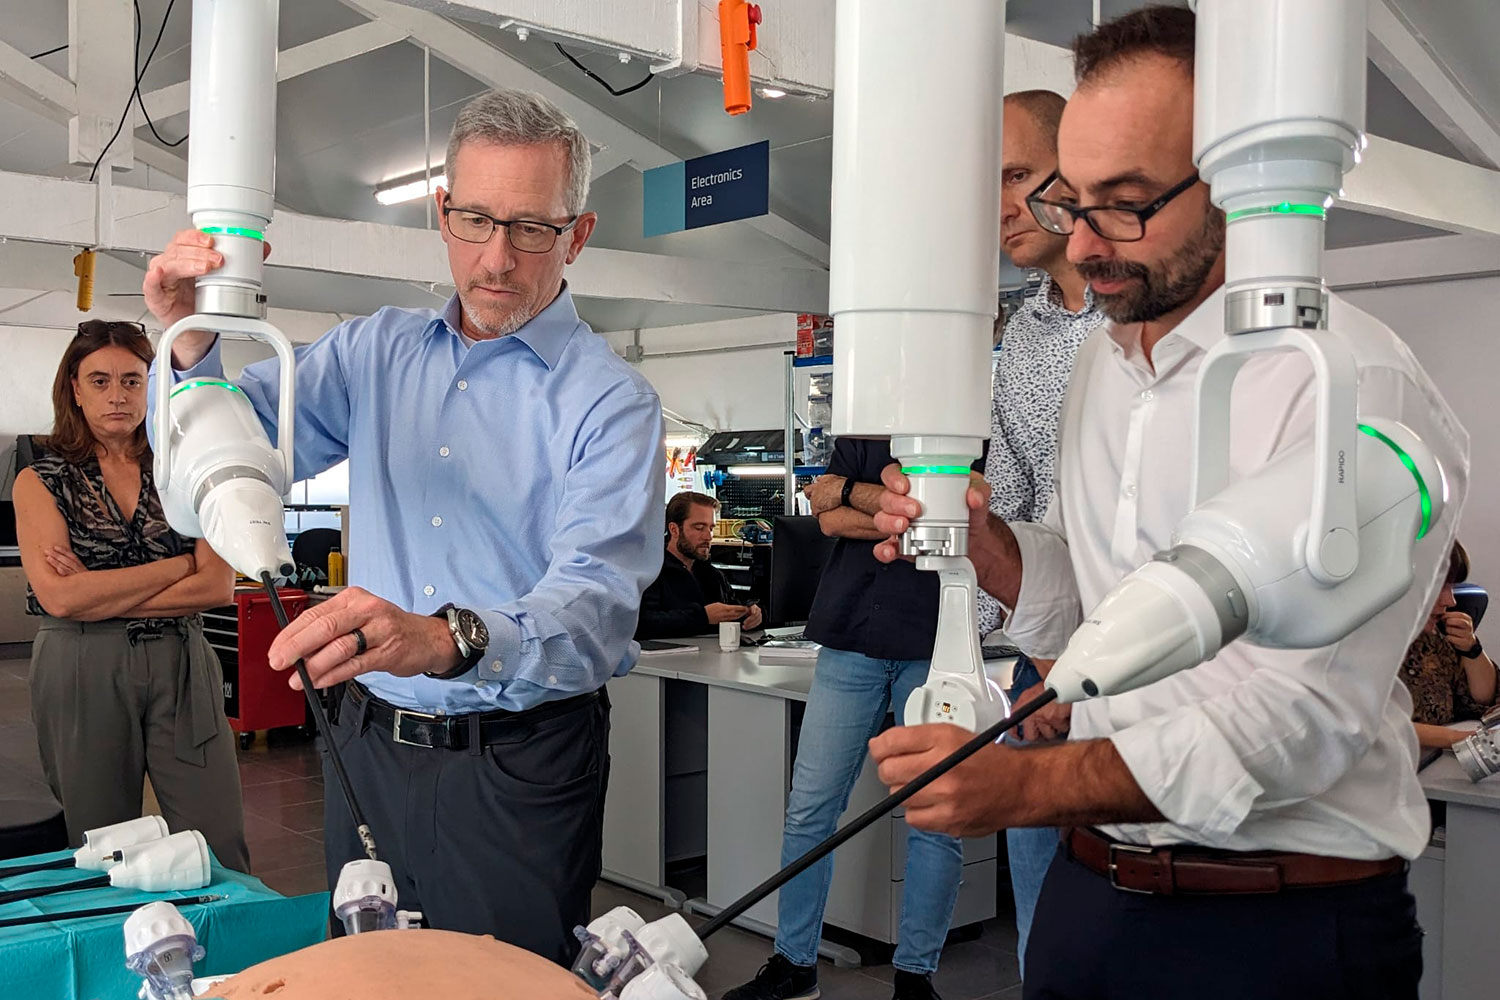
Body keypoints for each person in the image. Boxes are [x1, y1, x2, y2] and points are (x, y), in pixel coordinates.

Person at [865, 7, 1466, 999]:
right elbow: (1108, 594)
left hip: (1276, 928)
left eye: (1129, 203)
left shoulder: (1348, 383)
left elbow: (1297, 719)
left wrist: (1023, 789)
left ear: (1236, 179)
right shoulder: (1106, 362)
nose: (1089, 243)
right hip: (1092, 895)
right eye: (1074, 201)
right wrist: (995, 548)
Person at [142, 89, 664, 965]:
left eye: (532, 228)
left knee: (505, 980)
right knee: (368, 970)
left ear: (577, 235)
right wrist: (191, 344)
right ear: (442, 213)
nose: (497, 258)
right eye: (475, 220)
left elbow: (595, 607)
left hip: (518, 764)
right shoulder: (371, 353)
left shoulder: (611, 404)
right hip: (368, 746)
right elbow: (234, 439)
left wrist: (448, 639)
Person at [725, 437, 961, 1000]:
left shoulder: (961, 427)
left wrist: (856, 498)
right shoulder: (862, 425)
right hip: (849, 636)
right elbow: (826, 516)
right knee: (809, 810)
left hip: (935, 642)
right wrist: (895, 510)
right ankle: (794, 964)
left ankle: (915, 976)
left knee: (935, 818)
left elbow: (950, 516)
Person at [14, 320, 246, 871]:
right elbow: (61, 601)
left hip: (182, 659)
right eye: (99, 381)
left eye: (132, 380)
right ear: (73, 387)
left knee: (215, 840)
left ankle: (235, 952)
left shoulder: (184, 470)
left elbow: (216, 584)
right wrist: (180, 564)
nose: (117, 395)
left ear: (152, 386)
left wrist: (96, 589)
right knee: (101, 843)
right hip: (82, 661)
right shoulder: (40, 480)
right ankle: (120, 953)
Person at [982, 88, 1107, 973]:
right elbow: (1016, 501)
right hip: (1037, 659)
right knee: (1043, 915)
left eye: (1017, 176)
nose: (1000, 208)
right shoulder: (1020, 334)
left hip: (1141, 655)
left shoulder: (1146, 316)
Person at [1400, 540, 1498, 748]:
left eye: (1452, 587)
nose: (1451, 601)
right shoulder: (1361, 647)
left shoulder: (1432, 639)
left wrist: (1472, 649)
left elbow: (1483, 699)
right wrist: (1460, 739)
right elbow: (1379, 725)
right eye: (1439, 586)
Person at [636, 491, 761, 639]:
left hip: (712, 658)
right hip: (664, 661)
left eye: (711, 528)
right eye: (699, 528)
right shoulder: (650, 572)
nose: (708, 536)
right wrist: (703, 616)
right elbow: (642, 625)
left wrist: (752, 615)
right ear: (674, 530)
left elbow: (732, 610)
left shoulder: (713, 575)